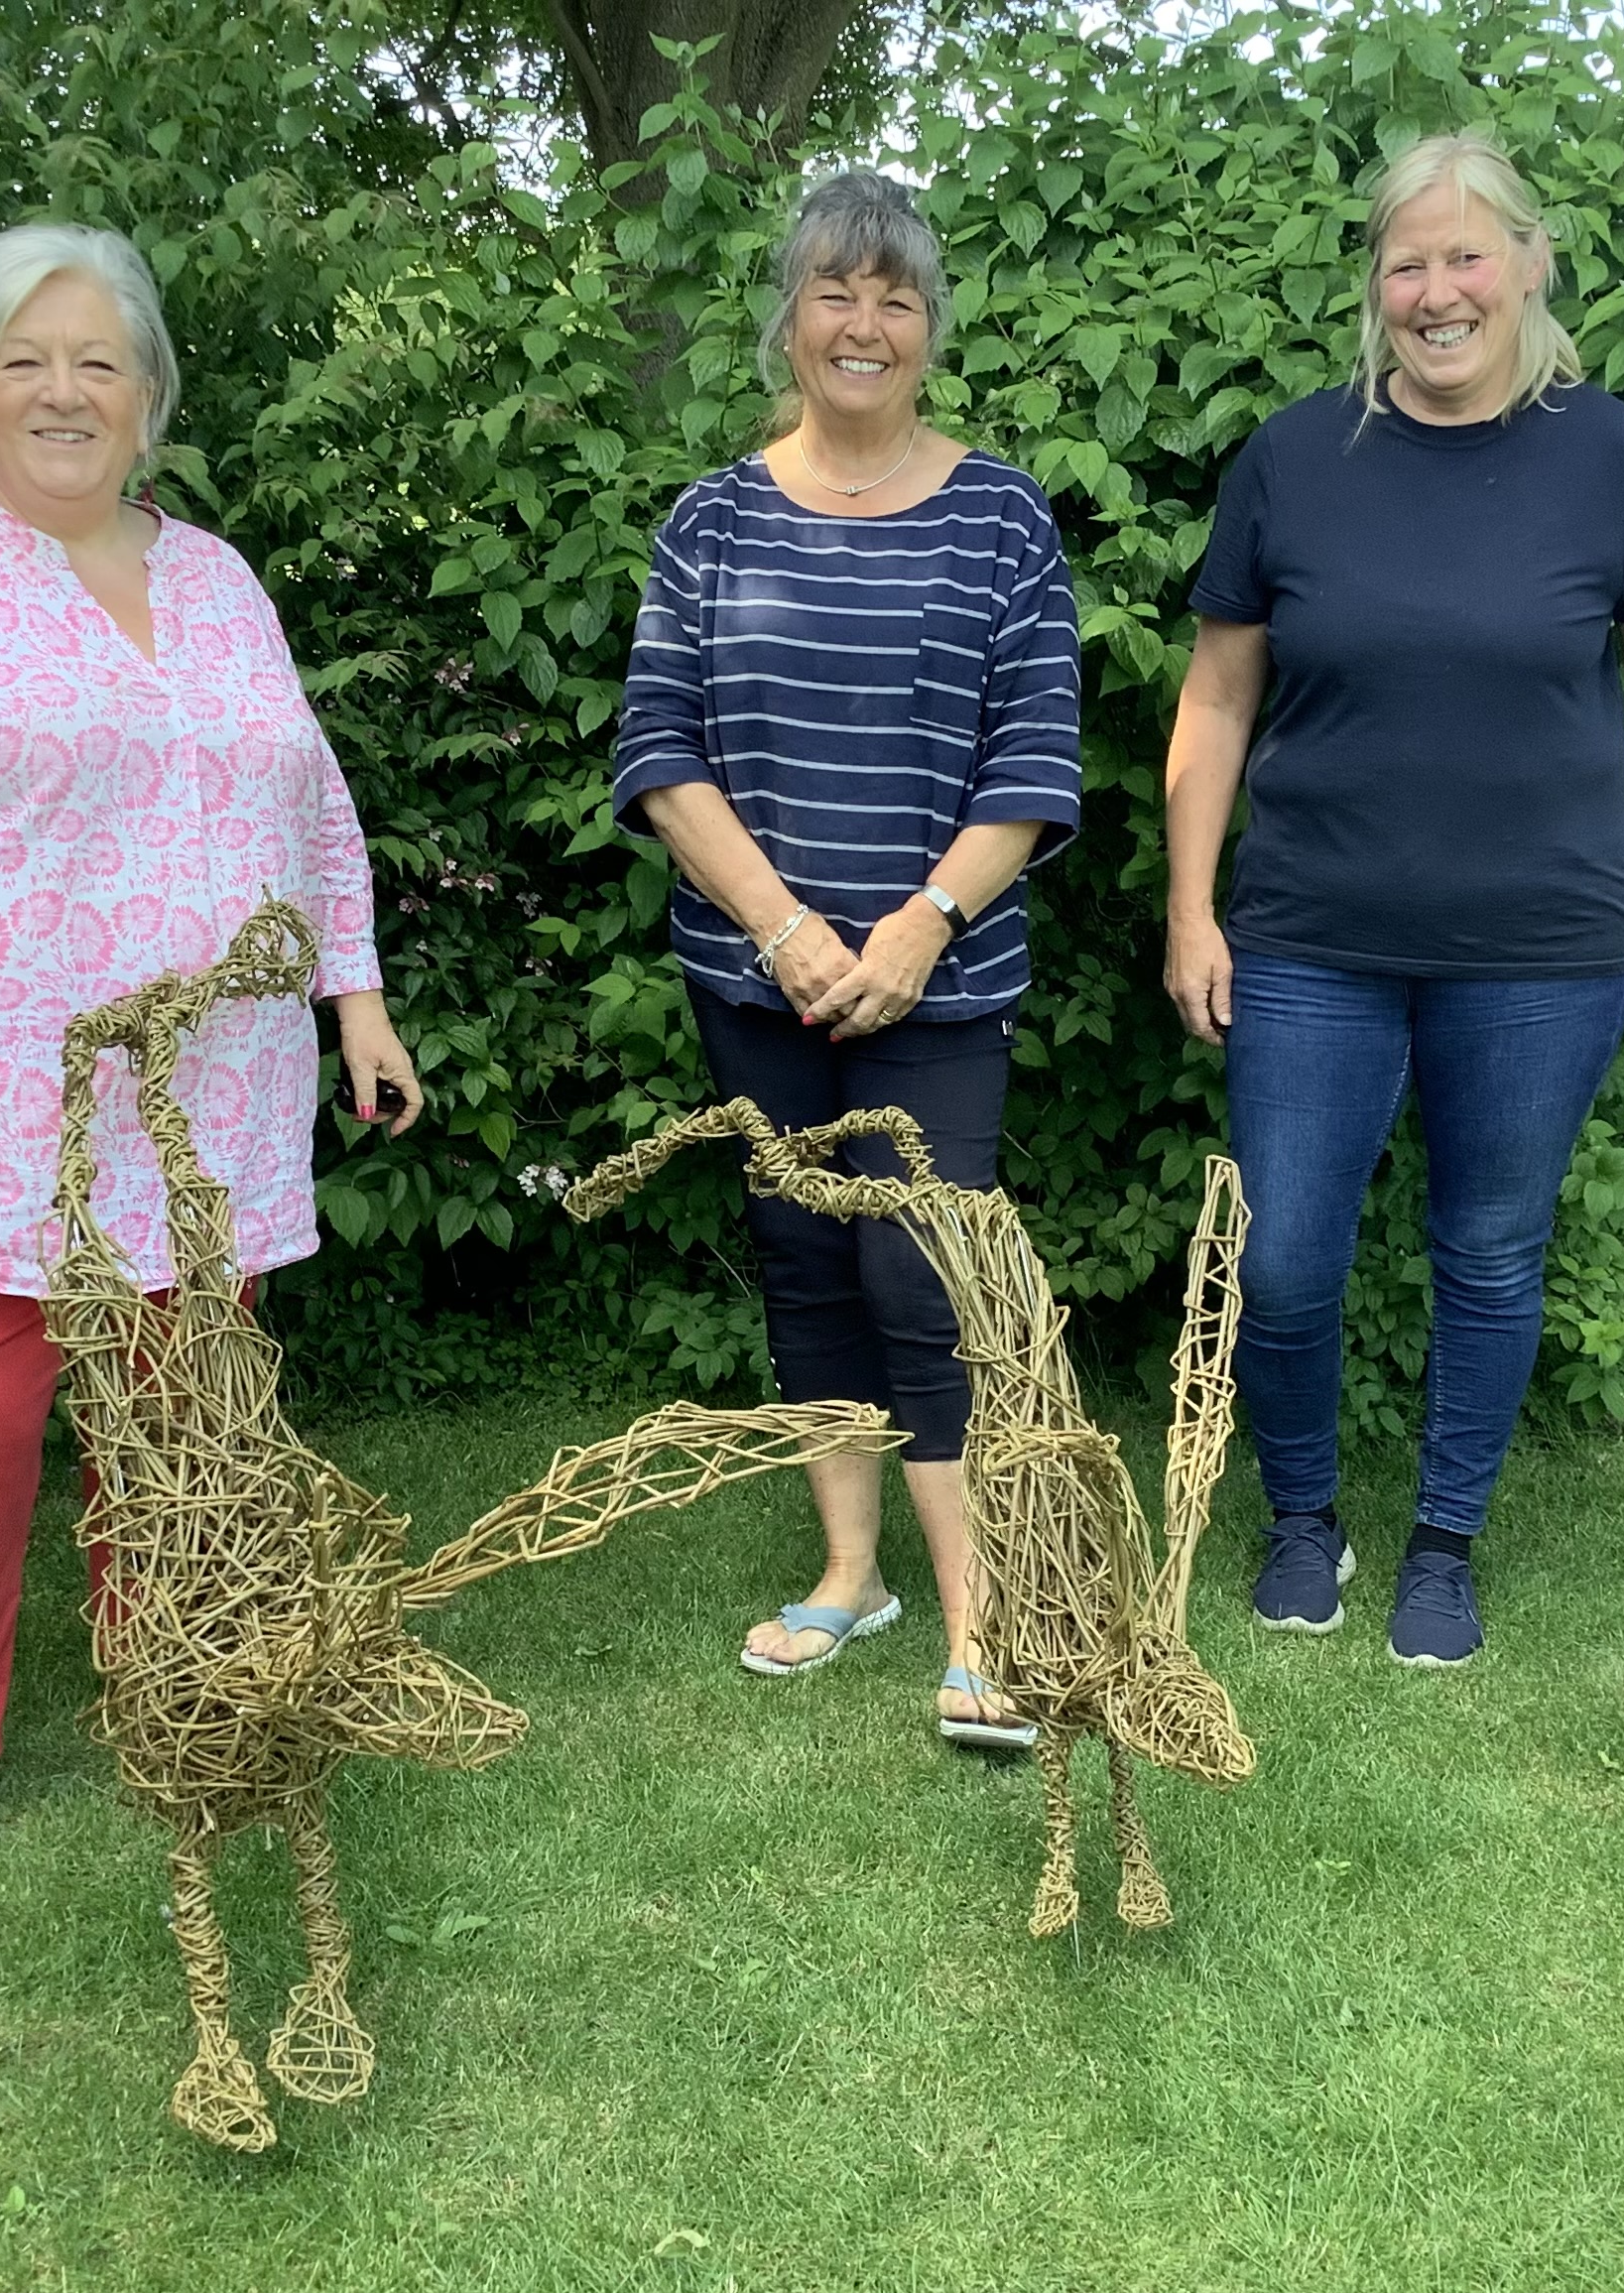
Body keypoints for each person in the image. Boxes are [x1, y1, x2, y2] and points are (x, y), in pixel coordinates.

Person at [0, 223, 423, 1887]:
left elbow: (309, 796)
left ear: (148, 397)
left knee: (186, 1415)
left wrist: (356, 999)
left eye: (99, 362)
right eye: (23, 361)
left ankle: (174, 1678)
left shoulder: (218, 578)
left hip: (212, 1090)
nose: (63, 392)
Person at [1162, 131, 1624, 1668]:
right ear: (1375, 285)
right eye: (1406, 262)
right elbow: (1214, 700)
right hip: (1308, 939)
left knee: (1488, 1249)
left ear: (1529, 266)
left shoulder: (1611, 456)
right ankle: (1301, 1518)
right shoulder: (1291, 458)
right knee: (1283, 1256)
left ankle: (1443, 1546)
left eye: (1468, 255)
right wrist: (1191, 909)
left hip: (1541, 946)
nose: (1436, 290)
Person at [614, 172, 1083, 1746]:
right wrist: (785, 930)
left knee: (919, 1272)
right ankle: (848, 1574)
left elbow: (1035, 757)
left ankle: (980, 1620)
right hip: (757, 975)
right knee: (805, 1258)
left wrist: (916, 926)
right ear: (789, 320)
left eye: (895, 296)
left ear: (929, 329)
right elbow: (659, 748)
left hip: (937, 980)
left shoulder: (1001, 514)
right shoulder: (713, 518)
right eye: (834, 291)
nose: (863, 323)